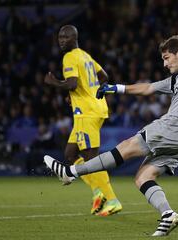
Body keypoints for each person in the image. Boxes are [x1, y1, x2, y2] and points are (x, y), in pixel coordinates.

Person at [44, 35, 178, 236]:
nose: (165, 63)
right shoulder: (177, 79)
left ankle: (71, 172)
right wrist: (115, 88)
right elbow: (148, 88)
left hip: (174, 127)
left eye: (167, 58)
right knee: (142, 178)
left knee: (127, 147)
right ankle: (168, 214)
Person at [44, 25, 122, 216]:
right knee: (70, 154)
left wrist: (53, 82)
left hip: (87, 113)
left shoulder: (69, 57)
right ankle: (98, 192)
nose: (61, 40)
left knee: (91, 159)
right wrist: (86, 92)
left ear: (74, 38)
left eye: (65, 36)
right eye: (60, 36)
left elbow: (71, 83)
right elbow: (104, 76)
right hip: (91, 110)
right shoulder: (85, 55)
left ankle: (112, 200)